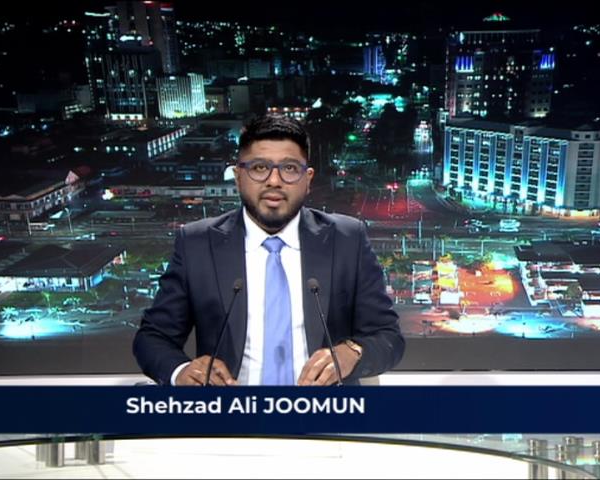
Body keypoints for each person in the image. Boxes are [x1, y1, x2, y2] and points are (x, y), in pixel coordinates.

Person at [133, 114, 404, 386]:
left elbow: (388, 337)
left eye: (289, 168)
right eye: (260, 167)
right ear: (238, 176)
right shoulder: (197, 243)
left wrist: (352, 353)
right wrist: (181, 371)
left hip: (325, 408)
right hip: (230, 409)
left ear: (307, 179)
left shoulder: (347, 239)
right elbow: (153, 337)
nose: (274, 180)